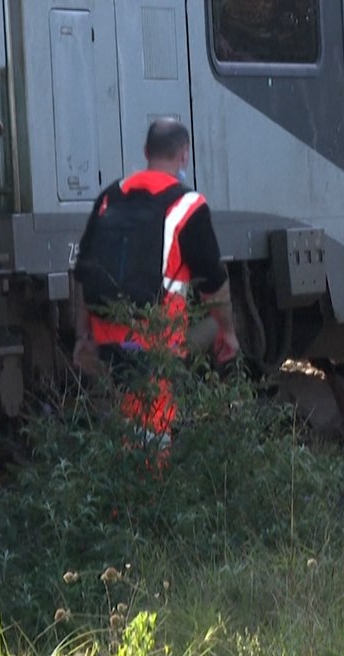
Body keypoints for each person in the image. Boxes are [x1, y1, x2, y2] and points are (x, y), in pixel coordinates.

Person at [72, 119, 239, 432]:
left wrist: (83, 336)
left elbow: (84, 272)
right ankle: (152, 475)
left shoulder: (110, 197)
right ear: (184, 155)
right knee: (150, 435)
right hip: (154, 343)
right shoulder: (188, 206)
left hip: (105, 340)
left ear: (146, 152)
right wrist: (227, 331)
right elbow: (215, 287)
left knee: (114, 431)